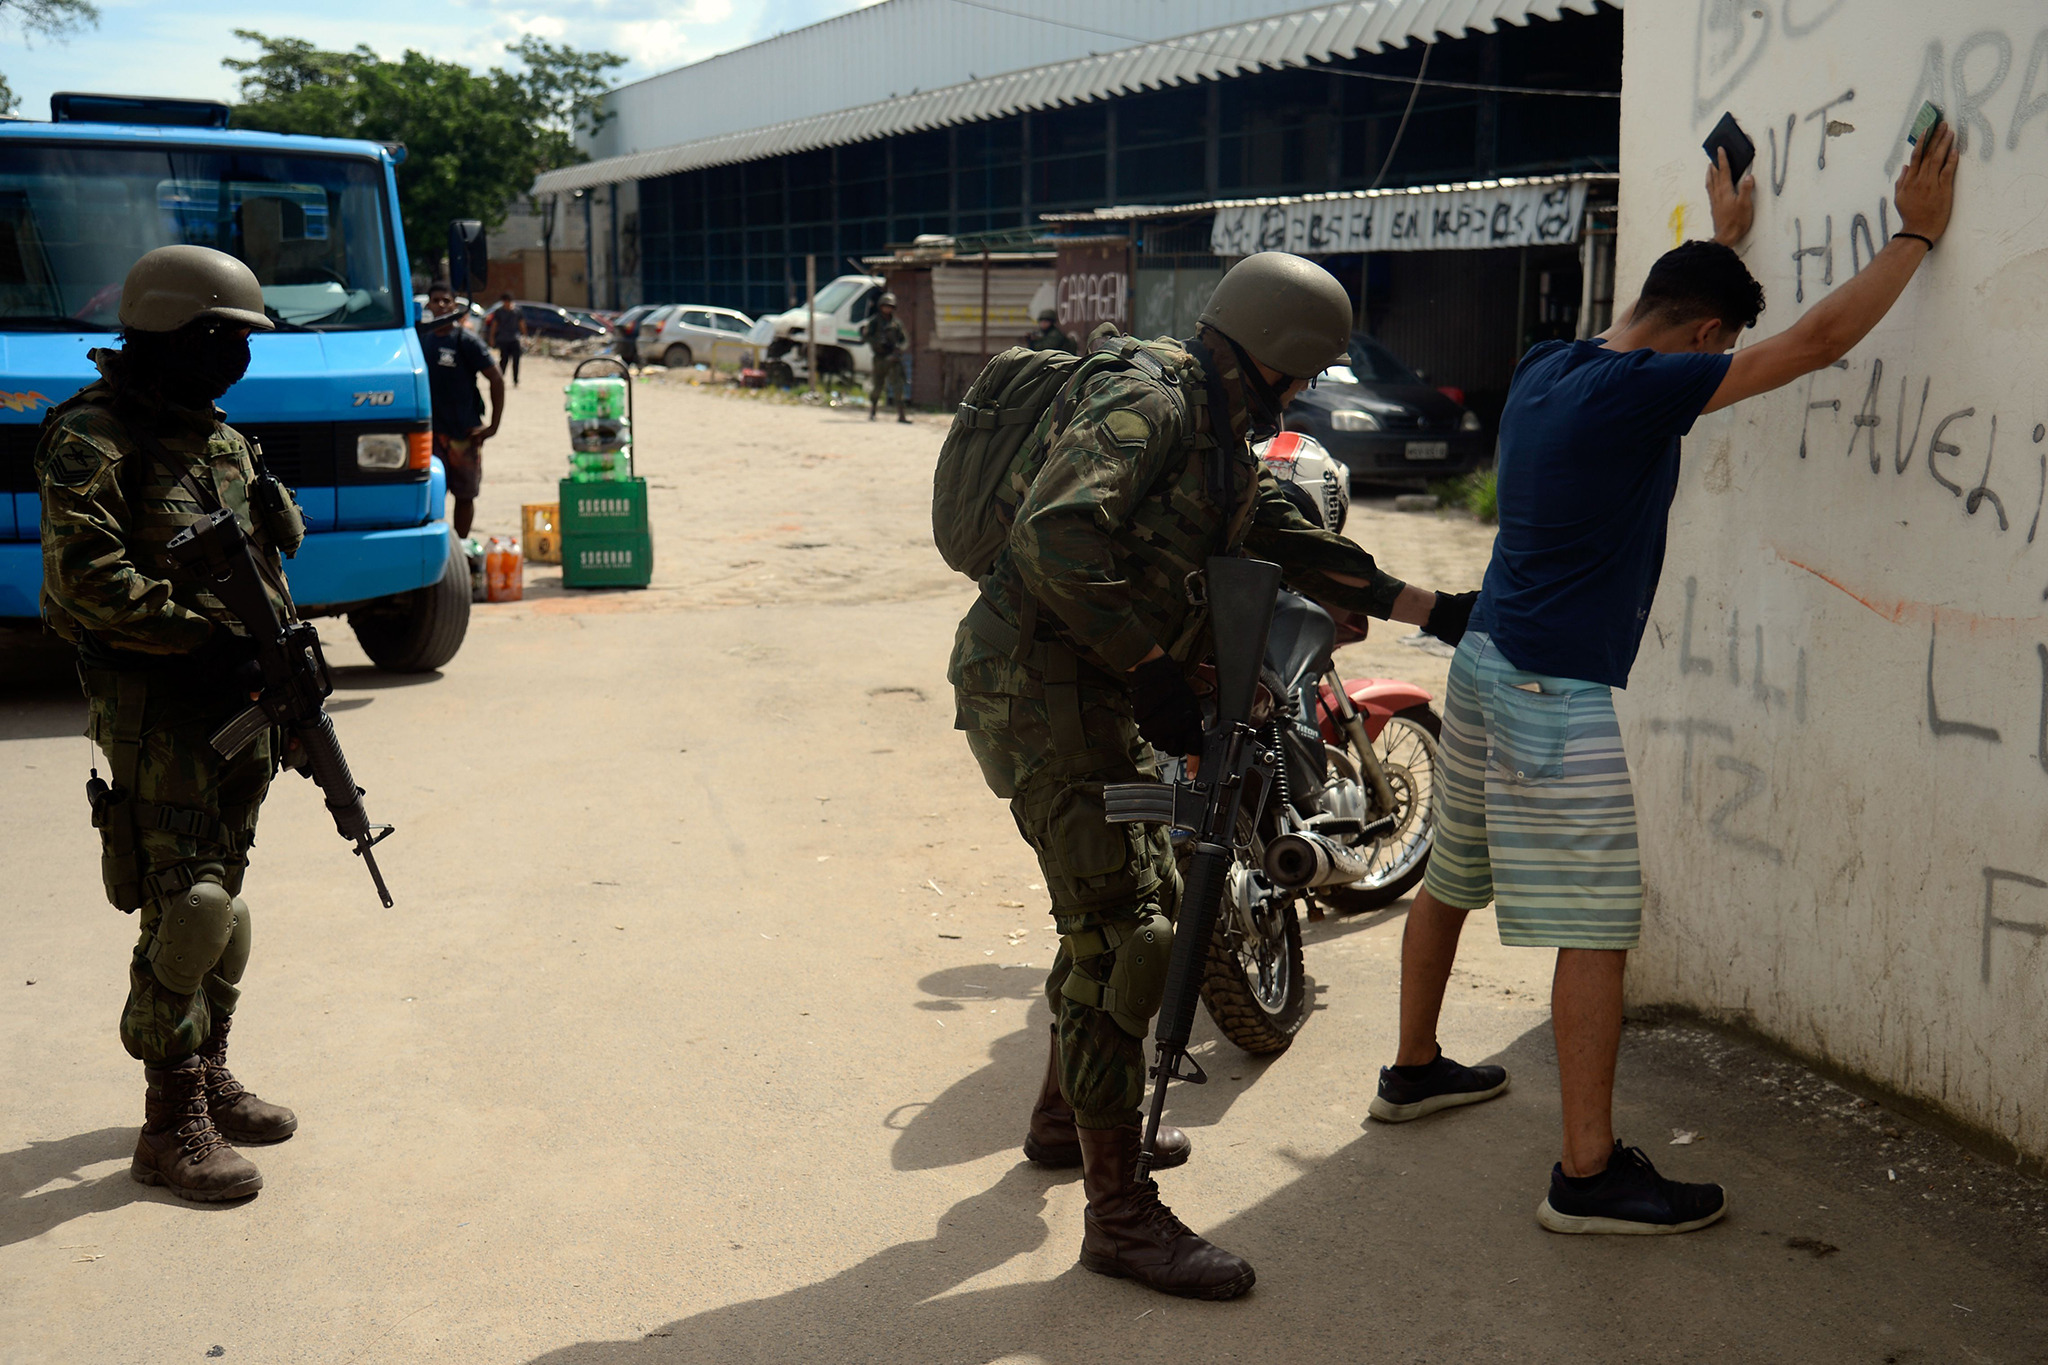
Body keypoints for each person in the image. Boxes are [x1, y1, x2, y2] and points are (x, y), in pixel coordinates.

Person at [1375, 125, 1959, 1234]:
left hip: (1485, 663)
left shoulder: (1552, 365)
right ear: (1698, 339)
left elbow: (1660, 306)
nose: (1712, 365)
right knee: (1594, 927)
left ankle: (1410, 1071)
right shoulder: (1641, 393)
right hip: (1552, 694)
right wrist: (1913, 234)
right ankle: (1586, 1178)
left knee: (1452, 875)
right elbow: (1815, 343)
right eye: (1711, 348)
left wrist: (1717, 235)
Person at [949, 251, 1476, 1299]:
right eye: (1305, 373)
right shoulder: (1149, 408)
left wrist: (1425, 606)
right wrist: (1149, 666)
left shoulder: (1213, 427)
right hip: (1045, 693)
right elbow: (1055, 536)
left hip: (1091, 690)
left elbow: (1268, 528)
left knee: (1121, 906)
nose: (1303, 391)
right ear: (1278, 359)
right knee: (1127, 935)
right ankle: (1120, 1220)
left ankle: (1065, 1122)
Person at [35, 245, 310, 1201]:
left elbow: (270, 560)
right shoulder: (92, 439)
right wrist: (203, 639)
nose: (241, 358)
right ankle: (169, 1119)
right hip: (158, 708)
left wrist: (273, 660)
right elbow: (84, 578)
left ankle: (210, 1070)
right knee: (184, 905)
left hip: (240, 703)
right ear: (181, 333)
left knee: (225, 901)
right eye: (229, 339)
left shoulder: (221, 438)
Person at [420, 280, 503, 539]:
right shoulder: (420, 339)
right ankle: (436, 550)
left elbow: (497, 379)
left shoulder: (466, 341)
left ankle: (462, 546)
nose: (442, 305)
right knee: (429, 497)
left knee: (464, 496)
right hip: (430, 437)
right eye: (437, 300)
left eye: (447, 300)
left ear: (455, 305)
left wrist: (493, 427)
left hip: (464, 435)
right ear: (429, 305)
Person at [861, 292, 909, 423]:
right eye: (885, 306)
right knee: (877, 386)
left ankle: (901, 415)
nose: (887, 309)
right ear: (880, 306)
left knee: (898, 387)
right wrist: (876, 343)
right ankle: (873, 411)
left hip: (893, 359)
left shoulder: (896, 324)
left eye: (890, 306)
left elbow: (904, 341)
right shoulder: (874, 322)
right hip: (880, 358)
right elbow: (865, 337)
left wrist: (898, 349)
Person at [488, 292, 527, 386]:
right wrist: (492, 337)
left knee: (516, 361)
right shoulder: (499, 312)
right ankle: (500, 378)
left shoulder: (517, 311)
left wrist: (524, 336)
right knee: (504, 360)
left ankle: (515, 380)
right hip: (503, 339)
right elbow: (494, 325)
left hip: (514, 339)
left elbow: (521, 323)